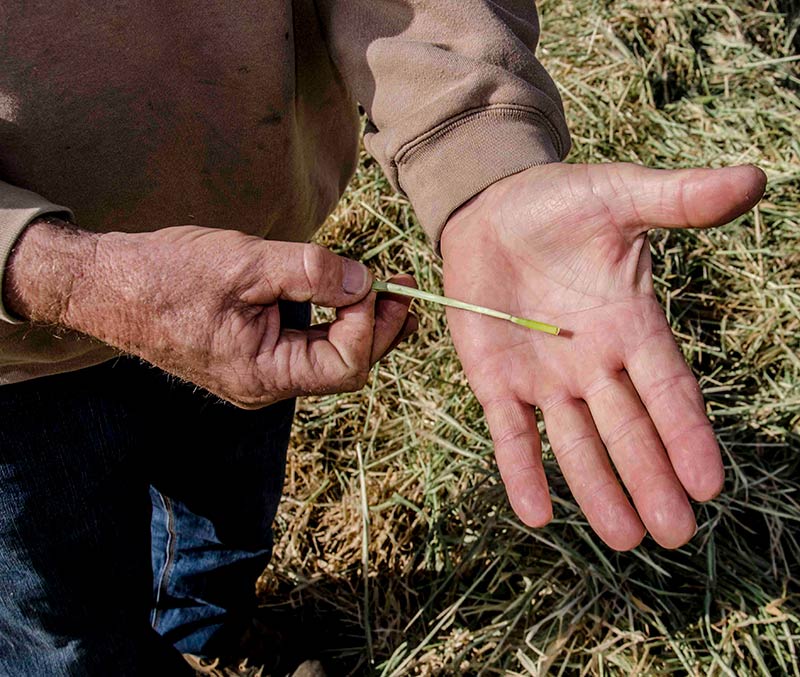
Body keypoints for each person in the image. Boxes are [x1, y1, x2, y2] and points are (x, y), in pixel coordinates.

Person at [0, 1, 766, 674]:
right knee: (62, 628)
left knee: (229, 506)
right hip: (14, 368)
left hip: (258, 262)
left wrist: (482, 157)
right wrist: (59, 274)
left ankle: (209, 626)